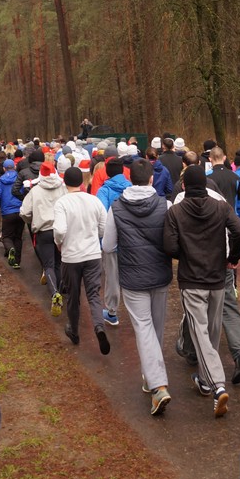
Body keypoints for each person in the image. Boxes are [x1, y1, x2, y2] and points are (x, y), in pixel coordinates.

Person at [163, 165, 240, 418]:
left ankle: (217, 385)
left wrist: (184, 254)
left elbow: (168, 246)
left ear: (184, 186)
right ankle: (204, 377)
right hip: (218, 278)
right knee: (211, 330)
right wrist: (233, 258)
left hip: (192, 280)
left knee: (200, 333)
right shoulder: (221, 207)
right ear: (207, 186)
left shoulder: (175, 211)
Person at [102, 158, 173, 415]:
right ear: (152, 179)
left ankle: (157, 385)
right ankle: (151, 378)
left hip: (132, 278)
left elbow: (108, 246)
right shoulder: (166, 205)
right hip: (161, 274)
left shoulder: (117, 207)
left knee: (144, 328)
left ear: (130, 178)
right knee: (156, 327)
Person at [53, 167, 110, 354]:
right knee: (94, 294)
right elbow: (104, 226)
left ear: (65, 182)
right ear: (81, 182)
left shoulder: (62, 203)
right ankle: (99, 327)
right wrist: (96, 236)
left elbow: (60, 230)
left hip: (71, 257)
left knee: (74, 296)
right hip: (93, 254)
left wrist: (59, 243)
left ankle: (74, 331)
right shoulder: (94, 200)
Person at [20, 162, 67, 316]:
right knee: (59, 263)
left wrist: (32, 221)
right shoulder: (62, 188)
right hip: (61, 230)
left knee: (48, 265)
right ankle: (59, 290)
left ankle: (54, 293)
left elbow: (24, 212)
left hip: (43, 231)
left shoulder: (35, 191)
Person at [96, 158, 132, 327]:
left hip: (112, 240)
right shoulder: (132, 188)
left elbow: (102, 216)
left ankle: (112, 312)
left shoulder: (104, 191)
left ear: (107, 172)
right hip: (132, 240)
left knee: (112, 277)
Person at [0, 159, 25, 269]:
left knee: (6, 236)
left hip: (7, 212)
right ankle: (17, 262)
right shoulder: (21, 178)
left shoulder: (0, 181)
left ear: (4, 169)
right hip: (21, 211)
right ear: (15, 167)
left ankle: (10, 248)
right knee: (18, 237)